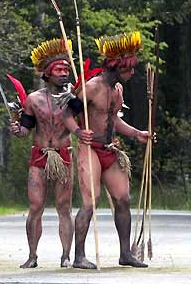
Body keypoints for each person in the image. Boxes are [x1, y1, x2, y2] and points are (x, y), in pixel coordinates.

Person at [62, 31, 150, 269]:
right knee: (91, 200)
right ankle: (79, 256)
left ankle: (126, 254)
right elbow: (68, 115)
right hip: (90, 148)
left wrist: (137, 133)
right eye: (129, 69)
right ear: (117, 67)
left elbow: (115, 121)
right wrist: (79, 132)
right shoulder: (91, 87)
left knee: (123, 198)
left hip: (110, 150)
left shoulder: (117, 90)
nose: (132, 73)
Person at [9, 38, 75, 269]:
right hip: (39, 156)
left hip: (63, 154)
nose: (63, 73)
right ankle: (32, 255)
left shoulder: (75, 101)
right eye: (58, 70)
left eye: (66, 70)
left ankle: (66, 255)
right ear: (47, 74)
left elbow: (88, 120)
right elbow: (26, 130)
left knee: (63, 207)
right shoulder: (33, 100)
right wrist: (18, 129)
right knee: (35, 206)